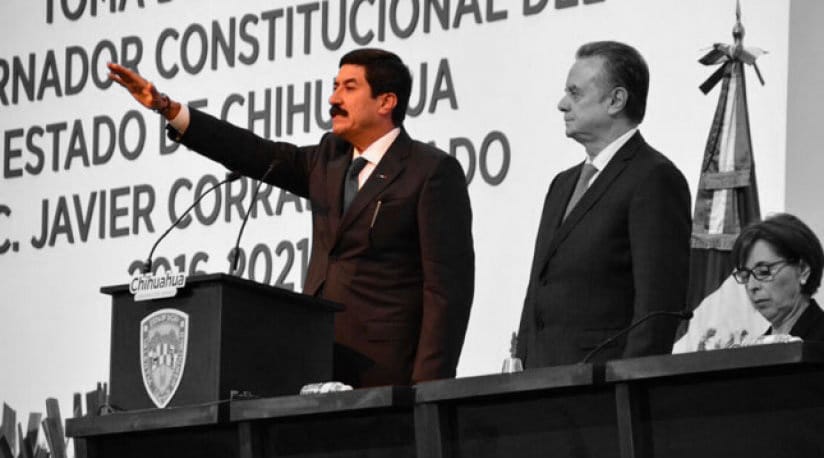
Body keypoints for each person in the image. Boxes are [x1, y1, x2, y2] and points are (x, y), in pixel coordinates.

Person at [107, 48, 475, 388]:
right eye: (334, 86)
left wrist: (428, 392)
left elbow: (447, 292)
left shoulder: (429, 172)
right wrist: (167, 108)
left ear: (386, 101)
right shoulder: (328, 159)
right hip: (314, 368)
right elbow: (252, 152)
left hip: (387, 377)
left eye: (349, 88)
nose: (333, 99)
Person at [516, 41, 691, 367]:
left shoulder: (654, 178)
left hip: (603, 387)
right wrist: (521, 366)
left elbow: (657, 308)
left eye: (575, 93)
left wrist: (628, 384)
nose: (562, 104)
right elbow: (538, 289)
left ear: (616, 100)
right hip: (540, 382)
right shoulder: (561, 184)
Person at [731, 213, 824, 340]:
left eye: (763, 271)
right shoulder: (756, 348)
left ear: (803, 270)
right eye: (745, 275)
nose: (752, 286)